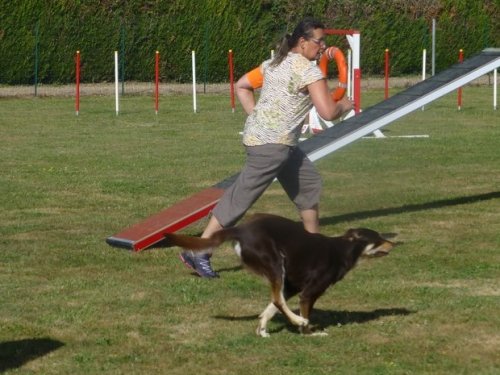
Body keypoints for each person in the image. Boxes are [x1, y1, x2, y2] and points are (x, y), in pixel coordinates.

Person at [180, 17, 353, 278]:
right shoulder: (309, 71)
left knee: (308, 184)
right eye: (319, 41)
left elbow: (242, 85)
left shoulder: (274, 63)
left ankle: (314, 249)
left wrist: (256, 118)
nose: (323, 46)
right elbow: (328, 112)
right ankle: (199, 250)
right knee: (241, 197)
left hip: (277, 142)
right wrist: (345, 106)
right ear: (303, 42)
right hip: (272, 146)